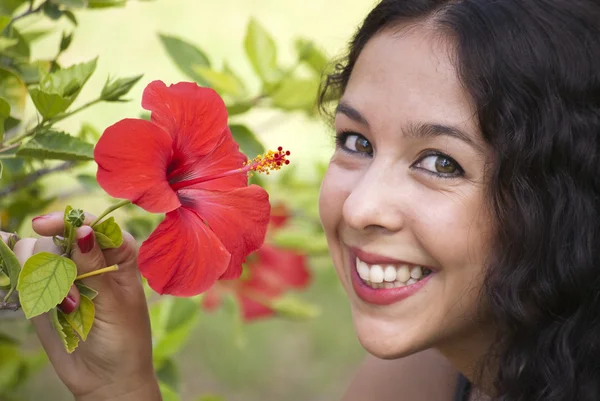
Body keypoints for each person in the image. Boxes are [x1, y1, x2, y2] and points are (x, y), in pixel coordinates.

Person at [11, 0, 600, 400]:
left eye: (441, 162)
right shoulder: (428, 374)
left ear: (563, 197)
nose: (358, 207)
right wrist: (122, 386)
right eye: (356, 141)